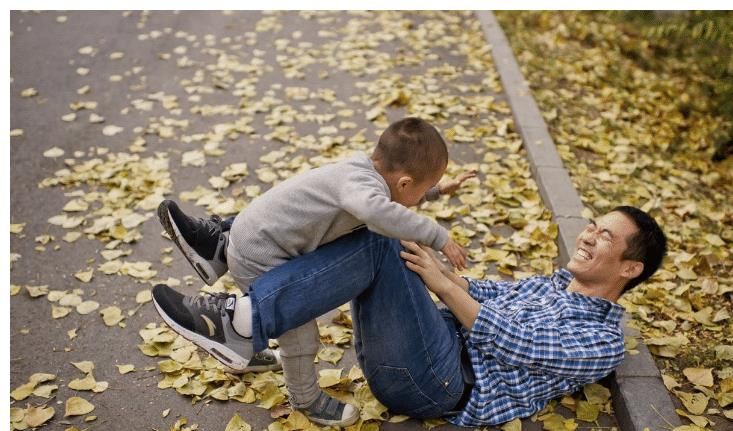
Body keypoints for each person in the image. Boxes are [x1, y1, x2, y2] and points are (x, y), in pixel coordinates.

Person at [152, 205, 666, 426]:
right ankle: (225, 243)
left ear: (630, 267)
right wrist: (436, 261)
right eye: (592, 225)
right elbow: (481, 291)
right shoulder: (553, 283)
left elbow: (517, 343)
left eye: (605, 237)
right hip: (426, 347)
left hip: (439, 384)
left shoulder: (602, 341)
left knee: (379, 241)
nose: (588, 235)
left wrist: (441, 283)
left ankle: (243, 325)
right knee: (376, 216)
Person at [155, 117, 475, 426]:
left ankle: (214, 250)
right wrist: (438, 236)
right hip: (262, 256)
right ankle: (305, 398)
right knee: (300, 335)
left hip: (246, 236)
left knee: (277, 310)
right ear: (404, 182)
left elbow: (394, 197)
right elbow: (379, 210)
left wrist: (436, 192)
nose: (422, 195)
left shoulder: (359, 170)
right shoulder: (364, 192)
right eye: (424, 188)